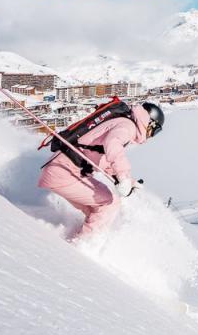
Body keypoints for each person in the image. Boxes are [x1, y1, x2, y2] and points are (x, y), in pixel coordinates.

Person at [38, 102, 164, 239]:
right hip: (65, 172)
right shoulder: (128, 126)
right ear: (150, 123)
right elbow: (113, 144)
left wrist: (127, 179)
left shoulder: (122, 122)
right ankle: (81, 246)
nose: (151, 135)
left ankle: (78, 241)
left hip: (61, 170)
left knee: (98, 212)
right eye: (155, 131)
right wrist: (123, 177)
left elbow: (103, 159)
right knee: (109, 204)